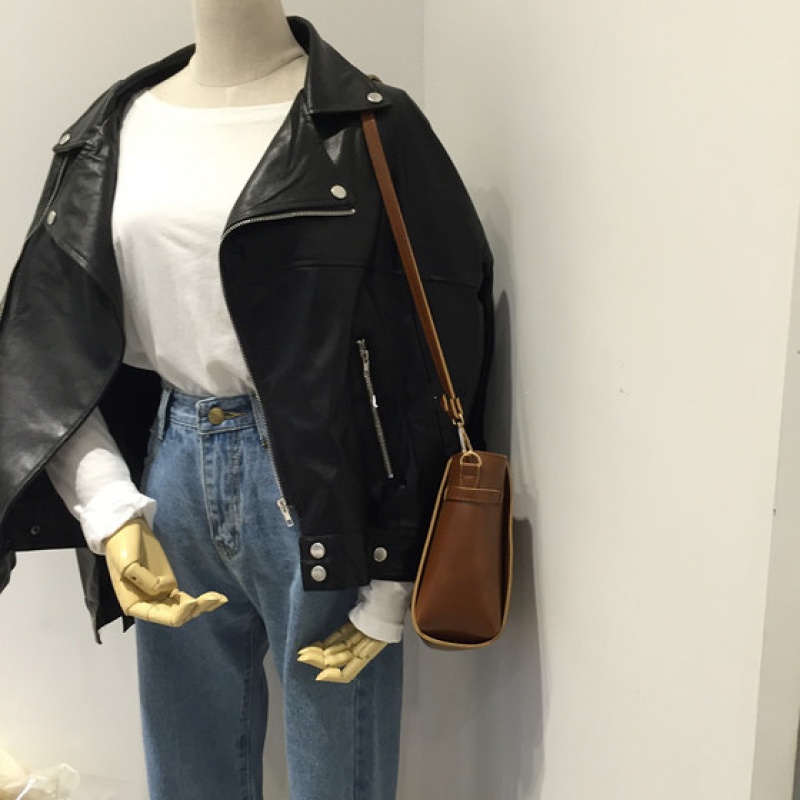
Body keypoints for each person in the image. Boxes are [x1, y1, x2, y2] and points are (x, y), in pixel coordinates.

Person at [0, 4, 493, 799]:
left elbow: (436, 352)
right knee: (187, 773)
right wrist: (110, 508)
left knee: (338, 775)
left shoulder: (371, 125)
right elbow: (45, 343)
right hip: (169, 470)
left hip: (318, 478)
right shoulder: (112, 130)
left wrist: (391, 580)